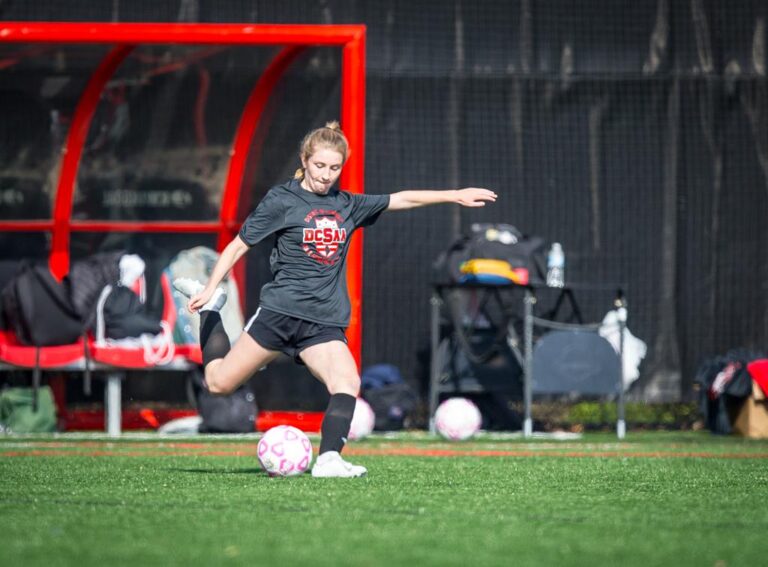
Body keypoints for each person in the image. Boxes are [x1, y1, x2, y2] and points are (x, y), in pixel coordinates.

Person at [173, 121, 496, 478]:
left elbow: (401, 198)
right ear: (305, 160)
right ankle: (212, 312)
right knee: (219, 383)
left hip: (323, 322)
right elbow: (237, 246)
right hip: (279, 314)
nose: (326, 175)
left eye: (334, 167)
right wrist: (208, 288)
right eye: (320, 166)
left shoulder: (347, 205)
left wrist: (453, 194)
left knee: (347, 383)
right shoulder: (282, 200)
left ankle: (328, 459)